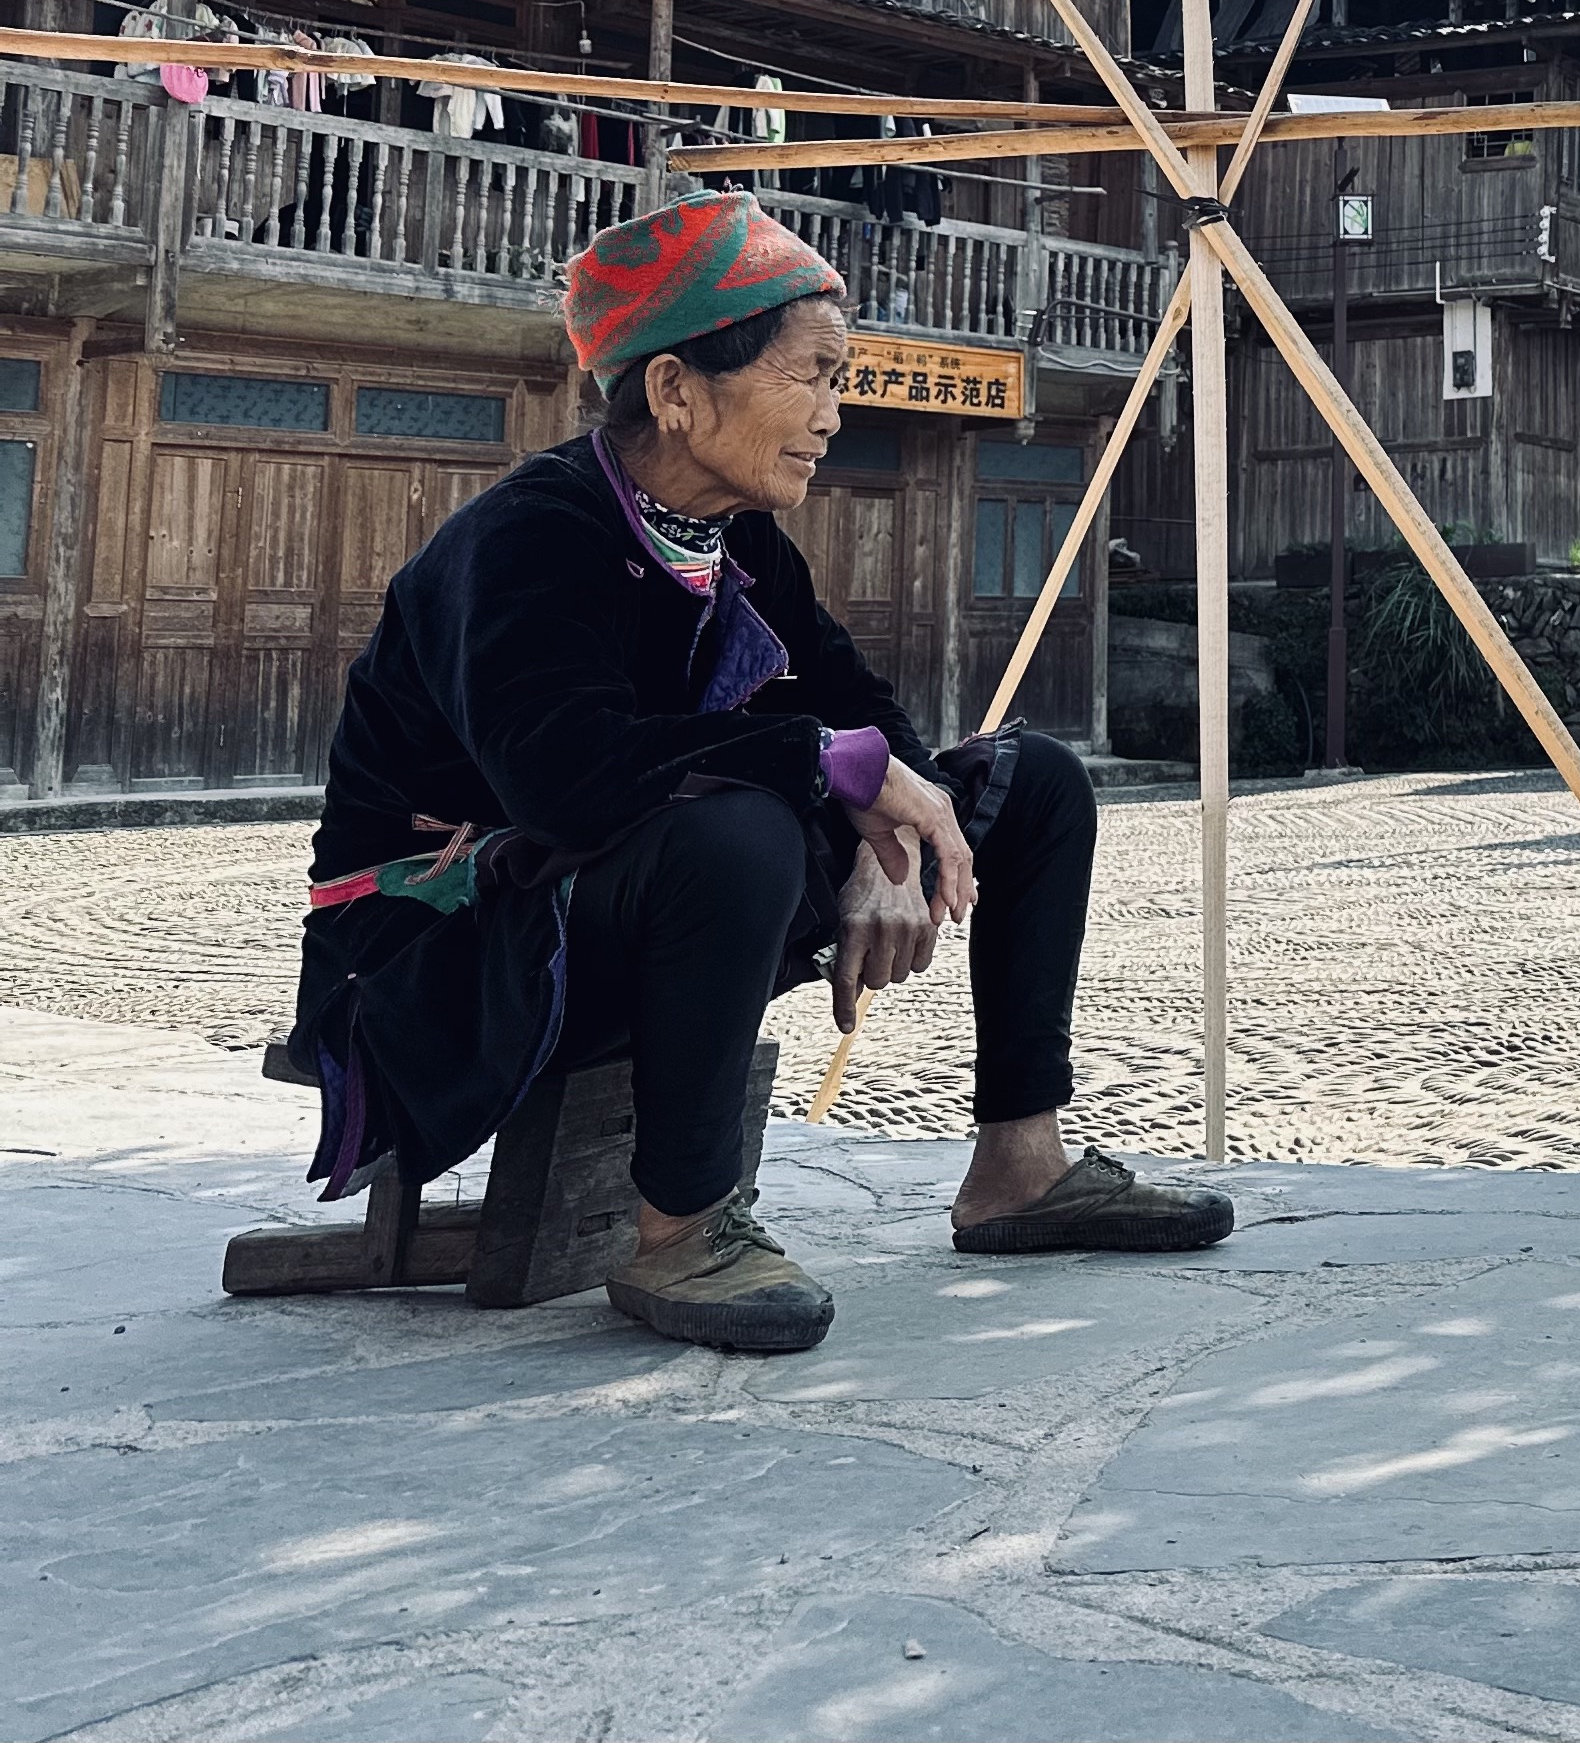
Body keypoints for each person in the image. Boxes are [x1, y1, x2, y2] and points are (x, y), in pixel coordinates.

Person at [291, 189, 1231, 1352]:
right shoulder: (529, 538)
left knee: (1028, 783)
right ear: (678, 390)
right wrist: (827, 764)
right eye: (814, 376)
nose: (836, 414)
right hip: (443, 950)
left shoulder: (732, 540)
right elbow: (568, 781)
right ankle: (683, 1227)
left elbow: (866, 714)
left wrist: (889, 831)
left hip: (620, 903)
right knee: (741, 826)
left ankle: (1017, 1172)